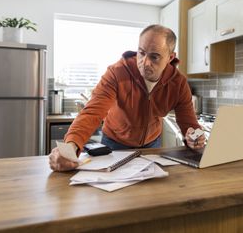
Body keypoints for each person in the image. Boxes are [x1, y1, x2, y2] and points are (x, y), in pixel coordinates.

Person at [49, 24, 206, 171]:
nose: (145, 62)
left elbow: (189, 123)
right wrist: (71, 146)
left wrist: (195, 137)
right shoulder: (117, 72)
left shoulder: (178, 84)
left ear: (170, 57)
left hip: (153, 144)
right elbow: (92, 112)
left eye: (154, 57)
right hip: (114, 143)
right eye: (142, 53)